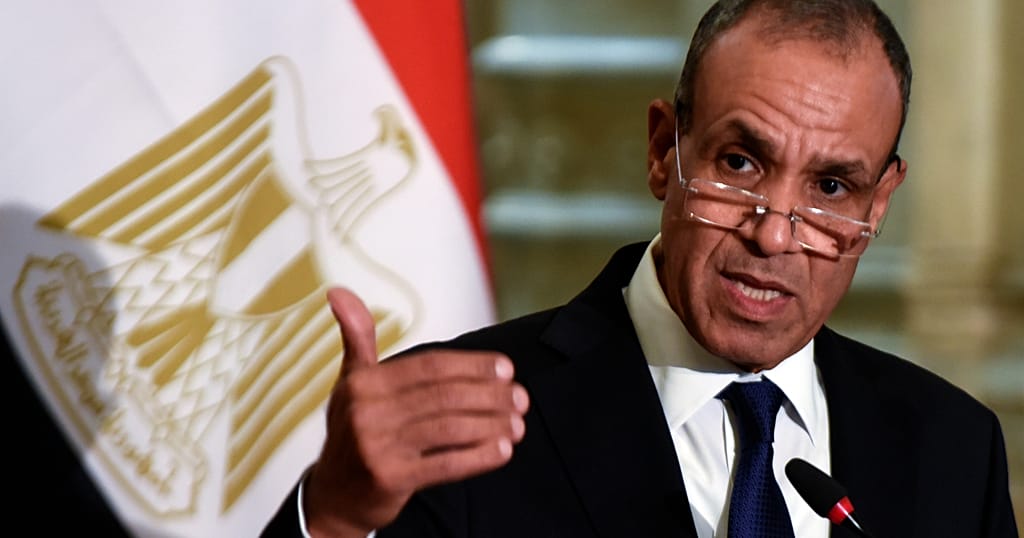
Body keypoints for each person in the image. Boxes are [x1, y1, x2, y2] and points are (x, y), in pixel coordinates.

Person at [264, 0, 1019, 536]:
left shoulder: (953, 448)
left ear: (878, 204)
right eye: (740, 162)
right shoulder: (462, 429)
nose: (773, 235)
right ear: (664, 151)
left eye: (830, 187)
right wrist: (331, 519)